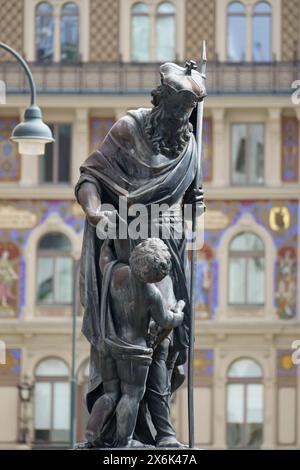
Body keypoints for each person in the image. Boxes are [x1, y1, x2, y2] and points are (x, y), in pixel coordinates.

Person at [75, 60, 206, 446]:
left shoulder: (191, 142)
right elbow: (90, 177)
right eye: (175, 111)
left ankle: (164, 435)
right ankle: (118, 436)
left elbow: (193, 197)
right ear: (160, 101)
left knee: (165, 344)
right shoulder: (128, 129)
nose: (180, 121)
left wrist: (194, 216)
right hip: (128, 247)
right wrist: (94, 209)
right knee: (129, 339)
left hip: (170, 253)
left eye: (187, 114)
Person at [85, 238, 185, 448]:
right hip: (134, 352)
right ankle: (125, 441)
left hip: (108, 343)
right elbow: (166, 321)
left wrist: (107, 244)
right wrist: (179, 314)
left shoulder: (116, 272)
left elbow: (104, 259)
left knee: (111, 393)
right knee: (131, 395)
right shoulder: (152, 294)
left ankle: (92, 431)